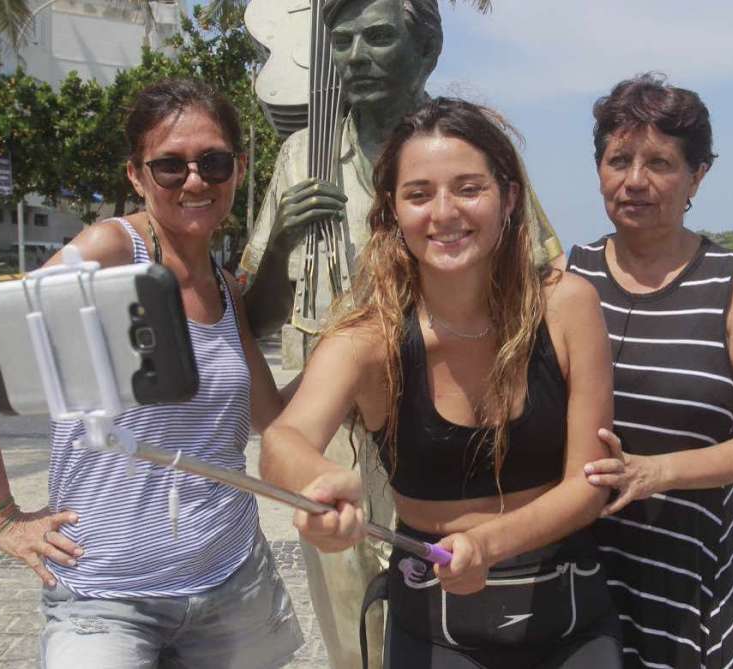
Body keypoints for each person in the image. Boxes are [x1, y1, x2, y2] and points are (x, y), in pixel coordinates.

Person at [239, 1, 563, 666]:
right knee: (351, 623)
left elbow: (544, 283)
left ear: (427, 52)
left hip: (447, 431)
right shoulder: (304, 155)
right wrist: (281, 247)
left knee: (457, 618)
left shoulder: (465, 152)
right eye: (342, 39)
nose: (356, 56)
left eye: (379, 37)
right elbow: (254, 315)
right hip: (334, 437)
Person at [0, 78, 303, 668]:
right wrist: (2, 518)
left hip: (232, 582)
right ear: (137, 176)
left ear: (238, 168)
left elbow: (272, 419)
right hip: (103, 592)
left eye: (213, 162)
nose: (195, 180)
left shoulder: (224, 288)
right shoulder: (110, 251)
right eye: (169, 166)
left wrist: (354, 345)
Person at [260, 97, 622, 668]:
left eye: (469, 188)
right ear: (392, 213)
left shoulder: (567, 306)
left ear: (509, 197)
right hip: (436, 631)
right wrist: (321, 481)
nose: (444, 213)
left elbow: (591, 483)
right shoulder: (370, 337)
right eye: (419, 194)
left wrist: (488, 545)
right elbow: (284, 440)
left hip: (570, 615)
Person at [566, 74, 733, 669]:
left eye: (660, 162)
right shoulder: (568, 276)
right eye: (619, 160)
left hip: (683, 584)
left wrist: (654, 472)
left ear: (697, 176)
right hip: (574, 575)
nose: (635, 180)